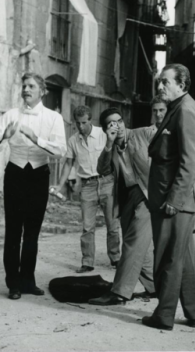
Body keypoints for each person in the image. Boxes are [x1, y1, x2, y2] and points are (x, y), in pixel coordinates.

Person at [0, 72, 67, 300]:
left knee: (32, 232)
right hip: (15, 174)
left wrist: (36, 139)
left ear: (42, 91)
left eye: (31, 86)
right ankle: (13, 283)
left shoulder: (53, 118)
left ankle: (28, 280)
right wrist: (5, 135)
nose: (26, 90)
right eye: (24, 86)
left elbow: (61, 151)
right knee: (13, 231)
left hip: (39, 175)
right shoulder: (10, 115)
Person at [143, 64, 195, 331]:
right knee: (184, 259)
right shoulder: (178, 108)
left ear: (181, 84)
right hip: (175, 200)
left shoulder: (186, 111)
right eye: (159, 82)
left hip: (174, 203)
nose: (159, 87)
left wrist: (173, 200)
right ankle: (192, 313)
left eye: (165, 82)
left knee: (168, 259)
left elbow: (191, 161)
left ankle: (164, 315)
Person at [88, 106, 159, 306]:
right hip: (128, 196)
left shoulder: (143, 133)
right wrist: (109, 144)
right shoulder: (110, 146)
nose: (117, 126)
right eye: (112, 123)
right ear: (105, 129)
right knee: (138, 245)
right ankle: (155, 287)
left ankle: (119, 292)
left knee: (132, 243)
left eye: (119, 121)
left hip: (148, 195)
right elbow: (102, 169)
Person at [50, 106, 120, 273]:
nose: (81, 126)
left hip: (107, 182)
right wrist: (59, 185)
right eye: (78, 123)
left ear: (90, 120)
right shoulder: (73, 141)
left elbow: (116, 157)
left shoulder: (104, 134)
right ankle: (87, 261)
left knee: (112, 225)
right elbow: (68, 164)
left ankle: (116, 258)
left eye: (84, 122)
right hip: (87, 185)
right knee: (88, 227)